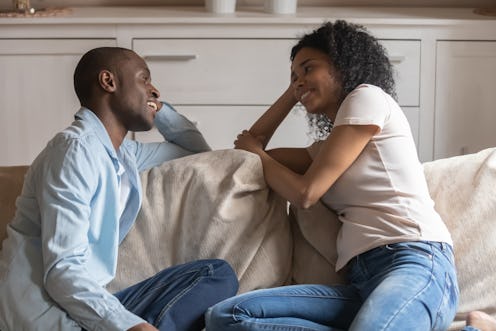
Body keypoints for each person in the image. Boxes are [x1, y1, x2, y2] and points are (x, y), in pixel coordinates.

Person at [205, 20, 459, 331]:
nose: (300, 81)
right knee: (227, 316)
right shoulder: (324, 152)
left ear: (342, 65)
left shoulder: (368, 98)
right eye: (293, 76)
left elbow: (306, 193)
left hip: (414, 264)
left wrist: (257, 151)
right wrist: (293, 91)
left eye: (309, 68)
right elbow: (249, 152)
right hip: (363, 281)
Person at [0, 47, 238, 331]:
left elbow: (197, 152)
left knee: (216, 275)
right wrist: (128, 326)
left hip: (88, 309)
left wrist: (157, 109)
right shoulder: (73, 151)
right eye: (144, 80)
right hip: (44, 315)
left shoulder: (124, 154)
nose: (154, 90)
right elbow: (63, 270)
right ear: (109, 82)